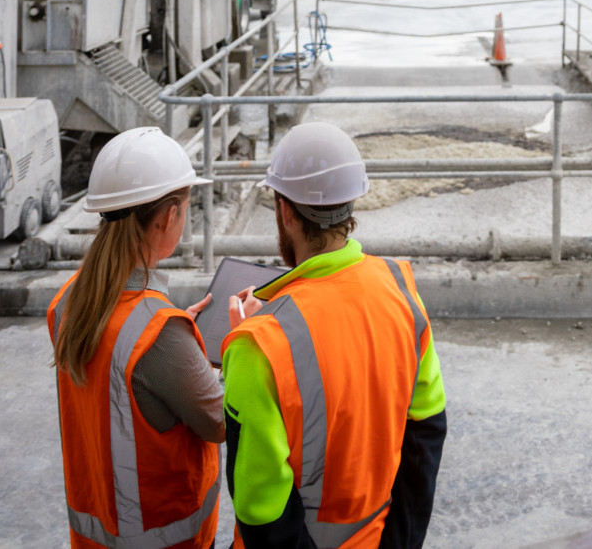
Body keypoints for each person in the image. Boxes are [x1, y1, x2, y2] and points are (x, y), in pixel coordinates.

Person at [221, 122, 447, 549]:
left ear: (285, 211)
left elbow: (260, 510)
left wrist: (245, 347)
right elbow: (426, 435)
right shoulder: (401, 290)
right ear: (351, 204)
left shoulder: (258, 345)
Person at [48, 127, 224, 549]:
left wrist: (177, 337)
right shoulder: (160, 335)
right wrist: (241, 347)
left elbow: (121, 365)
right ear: (167, 217)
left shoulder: (68, 302)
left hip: (96, 534)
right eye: (186, 207)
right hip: (164, 537)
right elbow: (220, 422)